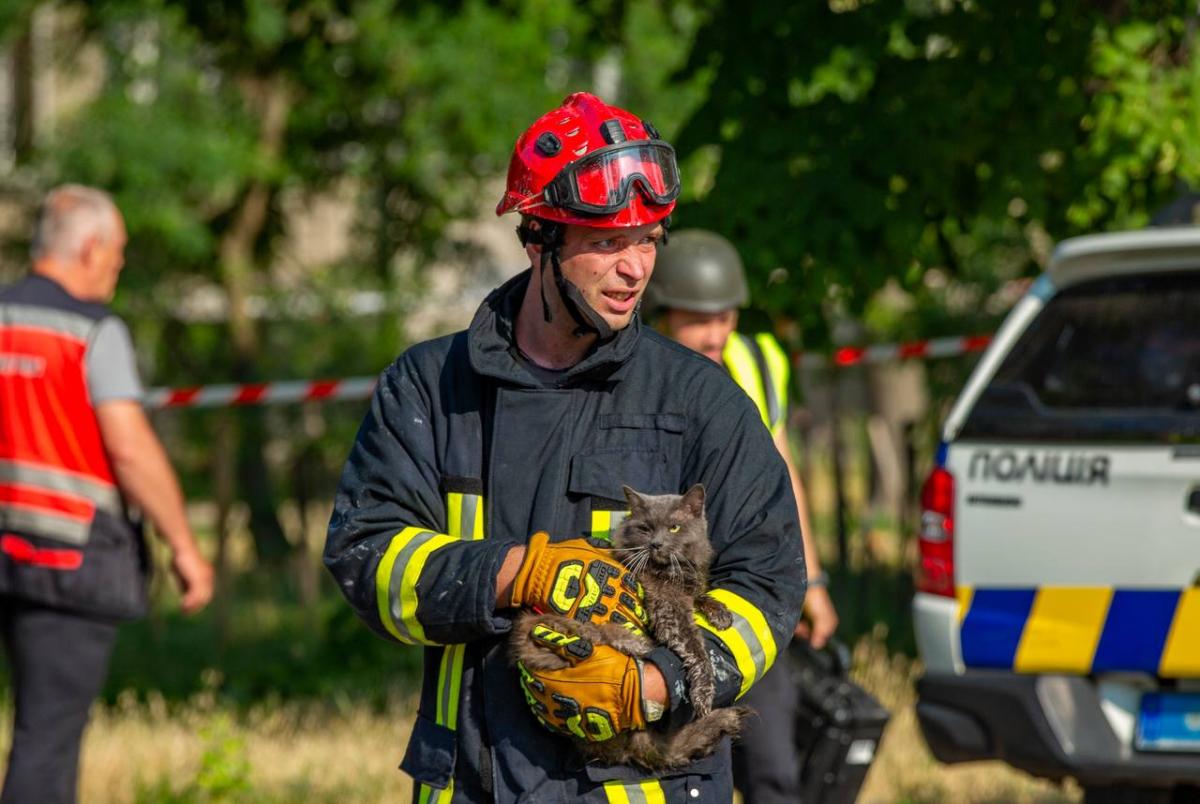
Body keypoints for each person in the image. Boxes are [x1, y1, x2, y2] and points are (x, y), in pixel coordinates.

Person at [324, 93, 805, 803]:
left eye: (648, 240)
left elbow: (769, 585)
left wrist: (656, 683)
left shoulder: (701, 401)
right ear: (538, 240)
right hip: (471, 780)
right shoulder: (430, 386)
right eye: (608, 243)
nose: (636, 269)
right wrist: (514, 573)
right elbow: (368, 559)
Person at [0, 185, 214, 804]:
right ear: (91, 249)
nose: (118, 268)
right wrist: (184, 547)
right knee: (45, 741)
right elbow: (130, 449)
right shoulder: (92, 331)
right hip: (65, 567)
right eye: (117, 255)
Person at [646, 228, 839, 804]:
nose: (715, 334)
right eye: (697, 320)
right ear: (659, 316)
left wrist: (812, 581)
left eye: (726, 317)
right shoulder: (637, 376)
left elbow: (785, 476)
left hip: (745, 592)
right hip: (665, 598)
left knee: (773, 769)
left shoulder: (756, 360)